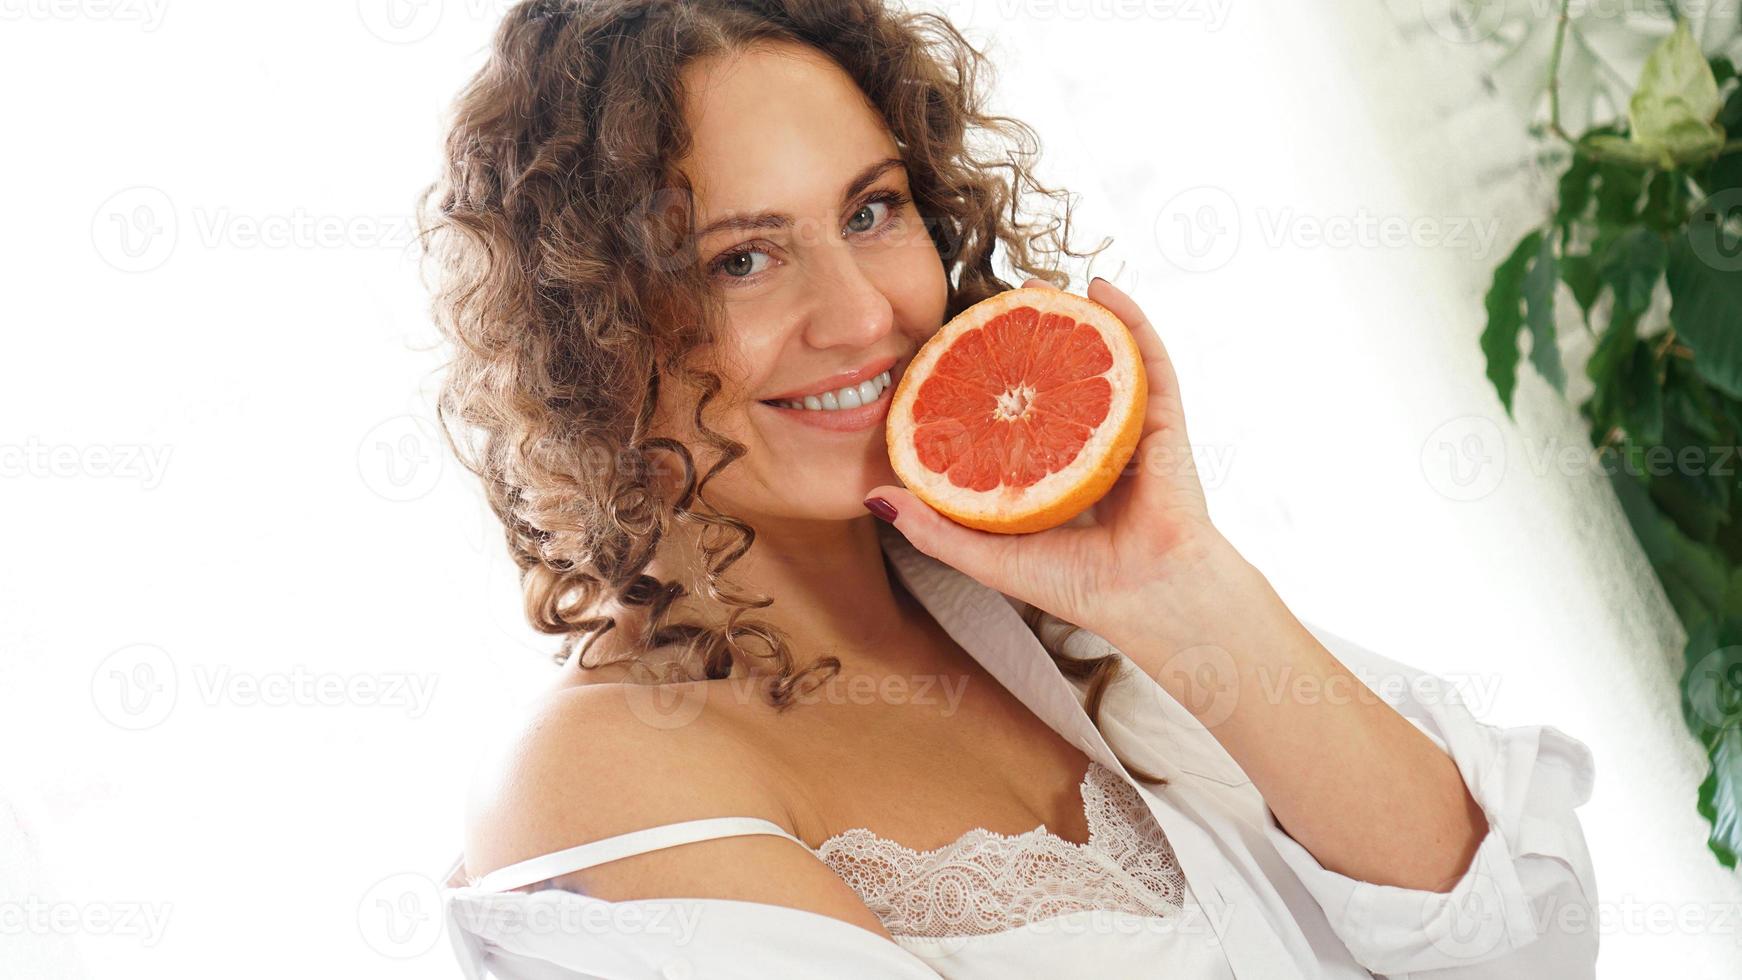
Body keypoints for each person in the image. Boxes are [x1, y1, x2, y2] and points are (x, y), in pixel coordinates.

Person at [417, 1, 1599, 976]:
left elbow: (1524, 943)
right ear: (588, 330)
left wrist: (1186, 589)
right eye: (741, 258)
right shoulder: (603, 769)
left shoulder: (1067, 609)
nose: (865, 314)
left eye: (871, 210)